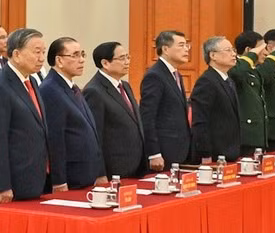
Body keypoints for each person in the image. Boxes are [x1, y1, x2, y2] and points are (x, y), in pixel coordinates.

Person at [0, 27, 51, 203]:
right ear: (17, 54)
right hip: (15, 181)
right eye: (36, 52)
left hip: (36, 176)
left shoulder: (31, 80)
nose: (42, 58)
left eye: (43, 52)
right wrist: (3, 186)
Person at [39, 37, 103, 189]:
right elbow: (55, 139)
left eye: (82, 54)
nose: (81, 60)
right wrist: (59, 180)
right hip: (70, 176)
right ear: (59, 60)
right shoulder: (50, 90)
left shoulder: (71, 86)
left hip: (85, 173)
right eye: (75, 55)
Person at [84, 42, 147, 180]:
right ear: (105, 63)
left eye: (128, 57)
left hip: (136, 166)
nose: (127, 62)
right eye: (122, 58)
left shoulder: (125, 85)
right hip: (114, 168)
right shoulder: (94, 91)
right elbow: (95, 137)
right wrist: (100, 173)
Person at [139, 28, 192, 169]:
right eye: (181, 45)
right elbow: (147, 116)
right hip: (164, 150)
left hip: (180, 150)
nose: (186, 49)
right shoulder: (155, 76)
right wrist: (154, 153)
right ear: (166, 49)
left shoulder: (176, 74)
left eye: (187, 45)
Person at [190, 35, 242, 162]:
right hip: (215, 154)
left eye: (233, 50)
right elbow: (200, 120)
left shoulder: (228, 80)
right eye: (228, 50)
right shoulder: (206, 81)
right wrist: (205, 153)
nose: (233, 54)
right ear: (212, 55)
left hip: (231, 151)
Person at [231, 31, 269, 153]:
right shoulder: (236, 67)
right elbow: (236, 74)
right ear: (249, 50)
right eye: (262, 48)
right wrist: (250, 57)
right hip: (244, 136)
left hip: (257, 135)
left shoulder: (254, 69)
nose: (266, 53)